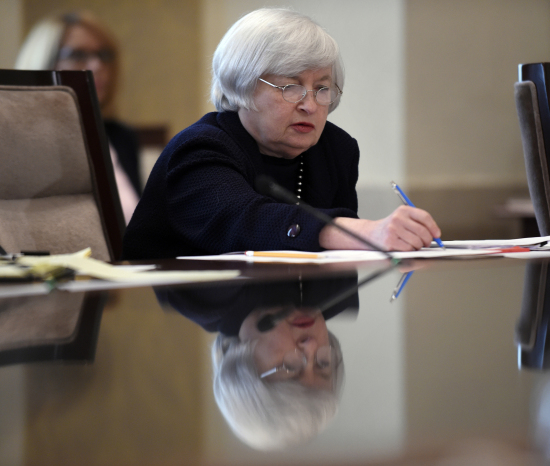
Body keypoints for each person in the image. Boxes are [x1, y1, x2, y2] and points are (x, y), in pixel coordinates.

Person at [122, 7, 441, 260]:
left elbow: (337, 270)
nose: (310, 105)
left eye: (322, 89)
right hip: (188, 324)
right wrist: (367, 232)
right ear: (242, 85)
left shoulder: (336, 150)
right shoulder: (198, 150)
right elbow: (244, 223)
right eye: (290, 87)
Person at [155, 275, 357, 450]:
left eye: (291, 366)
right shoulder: (337, 291)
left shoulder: (196, 297)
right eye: (323, 363)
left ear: (244, 370)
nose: (311, 345)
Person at [15, 11, 141, 223]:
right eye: (78, 55)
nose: (97, 66)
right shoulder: (18, 139)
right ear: (45, 62)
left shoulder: (121, 137)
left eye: (104, 55)